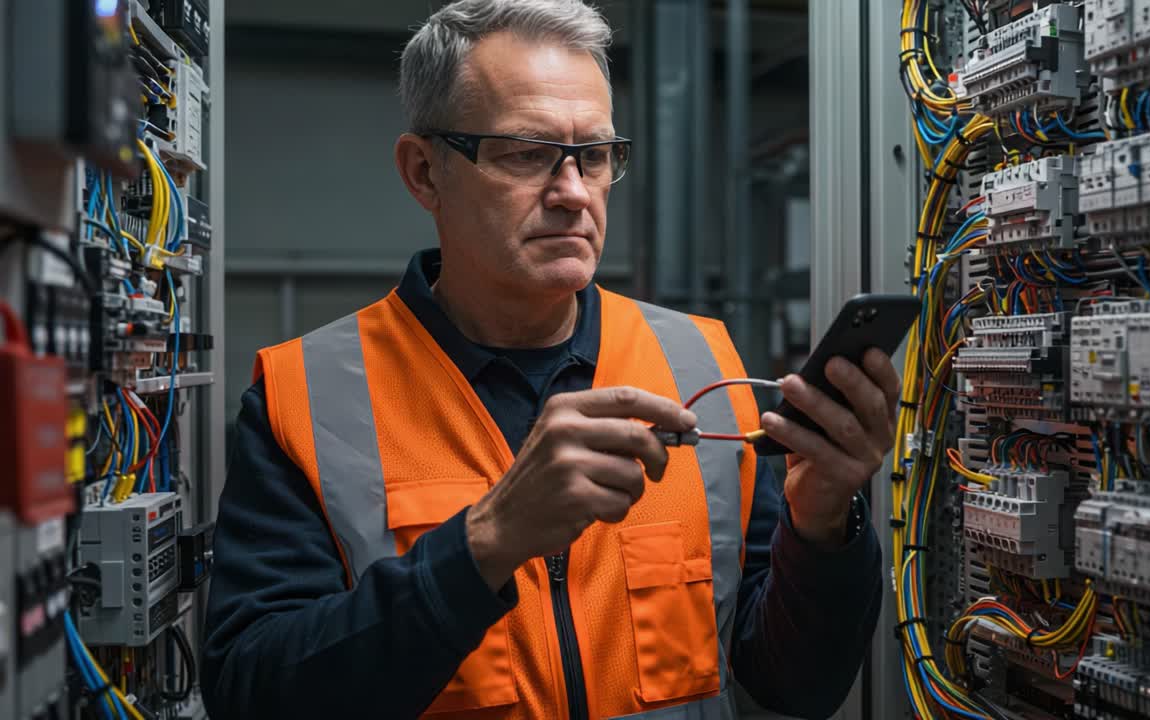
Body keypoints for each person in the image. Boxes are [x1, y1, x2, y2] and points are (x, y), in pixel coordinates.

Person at [200, 1, 900, 718]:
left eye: (593, 156)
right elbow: (254, 691)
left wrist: (819, 525)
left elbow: (793, 685)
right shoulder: (308, 396)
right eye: (527, 154)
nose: (572, 194)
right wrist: (485, 543)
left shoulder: (701, 363)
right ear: (424, 172)